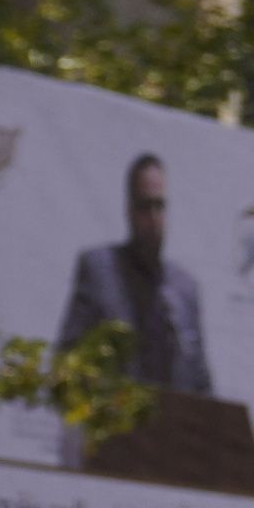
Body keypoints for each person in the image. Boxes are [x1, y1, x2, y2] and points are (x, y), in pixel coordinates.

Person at [58, 154, 213, 400]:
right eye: (145, 207)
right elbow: (68, 359)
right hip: (113, 424)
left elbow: (202, 384)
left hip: (173, 430)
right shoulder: (99, 270)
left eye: (159, 207)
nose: (153, 219)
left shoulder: (185, 289)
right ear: (129, 210)